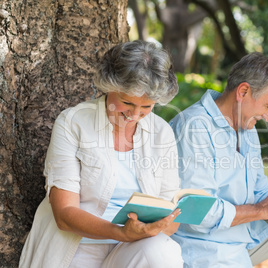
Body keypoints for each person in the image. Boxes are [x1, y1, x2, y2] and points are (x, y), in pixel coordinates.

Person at [19, 40, 183, 268]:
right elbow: (65, 213)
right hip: (77, 245)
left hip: (131, 249)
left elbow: (171, 213)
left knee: (164, 252)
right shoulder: (73, 122)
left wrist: (153, 227)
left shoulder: (161, 132)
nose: (135, 115)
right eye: (127, 102)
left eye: (147, 107)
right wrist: (121, 232)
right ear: (109, 86)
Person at [169, 52, 268, 268]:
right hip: (204, 249)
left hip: (242, 237)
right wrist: (261, 211)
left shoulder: (246, 129)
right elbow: (197, 212)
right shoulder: (194, 127)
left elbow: (259, 193)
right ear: (243, 91)